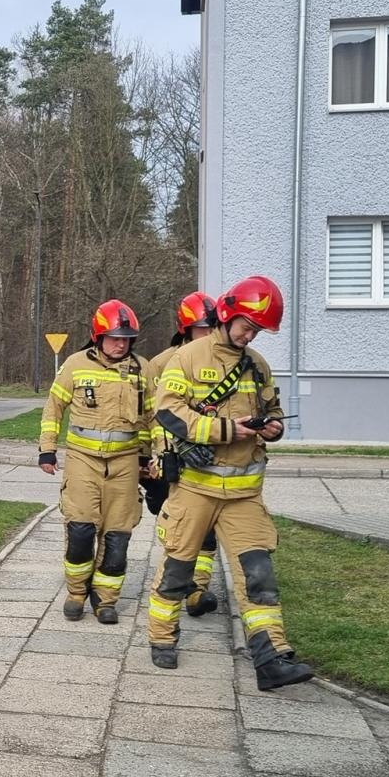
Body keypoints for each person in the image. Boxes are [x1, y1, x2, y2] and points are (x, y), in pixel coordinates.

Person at [150, 275, 313, 690]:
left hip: (244, 495)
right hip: (195, 489)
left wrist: (272, 427)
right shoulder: (186, 358)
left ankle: (271, 656)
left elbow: (271, 406)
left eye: (257, 329)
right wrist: (225, 430)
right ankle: (162, 637)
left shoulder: (257, 364)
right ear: (226, 313)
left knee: (258, 575)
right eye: (246, 324)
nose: (250, 333)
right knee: (177, 570)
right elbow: (168, 413)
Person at [39, 299, 162, 625]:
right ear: (98, 336)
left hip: (124, 464)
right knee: (80, 531)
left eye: (126, 338)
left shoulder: (143, 369)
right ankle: (77, 592)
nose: (121, 343)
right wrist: (47, 449)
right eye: (114, 337)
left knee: (118, 536)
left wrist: (159, 457)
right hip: (83, 462)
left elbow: (155, 417)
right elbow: (53, 408)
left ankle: (106, 599)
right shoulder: (76, 365)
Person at [143, 290, 222, 624]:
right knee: (177, 529)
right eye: (203, 328)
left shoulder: (222, 360)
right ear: (186, 329)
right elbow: (151, 414)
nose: (209, 333)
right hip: (172, 461)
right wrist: (154, 458)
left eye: (213, 327)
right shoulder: (161, 364)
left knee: (208, 530)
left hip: (210, 458)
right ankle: (181, 586)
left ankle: (196, 591)